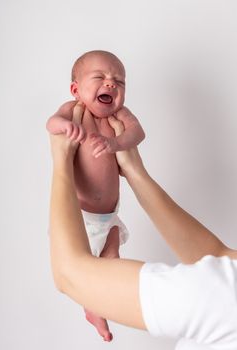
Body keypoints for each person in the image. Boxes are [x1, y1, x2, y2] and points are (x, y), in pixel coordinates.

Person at [48, 104, 237, 350]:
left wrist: (61, 161)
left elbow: (69, 275)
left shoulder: (225, 300)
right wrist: (135, 172)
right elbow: (218, 257)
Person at [46, 50, 145, 341]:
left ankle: (100, 307)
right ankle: (93, 308)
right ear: (76, 89)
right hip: (81, 217)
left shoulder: (119, 116)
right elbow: (51, 123)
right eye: (100, 78)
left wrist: (116, 143)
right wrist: (64, 126)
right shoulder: (72, 110)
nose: (111, 84)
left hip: (110, 215)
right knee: (85, 270)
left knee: (111, 260)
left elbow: (138, 132)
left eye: (119, 81)